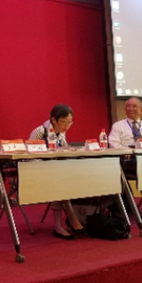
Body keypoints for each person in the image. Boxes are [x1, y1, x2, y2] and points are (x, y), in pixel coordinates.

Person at [29, 103, 84, 240]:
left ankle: (67, 221)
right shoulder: (40, 131)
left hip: (55, 171)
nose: (67, 126)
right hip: (36, 170)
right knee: (60, 182)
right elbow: (29, 156)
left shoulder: (61, 133)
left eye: (69, 122)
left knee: (70, 178)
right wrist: (47, 166)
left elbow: (62, 150)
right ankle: (66, 221)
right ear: (54, 120)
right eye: (64, 122)